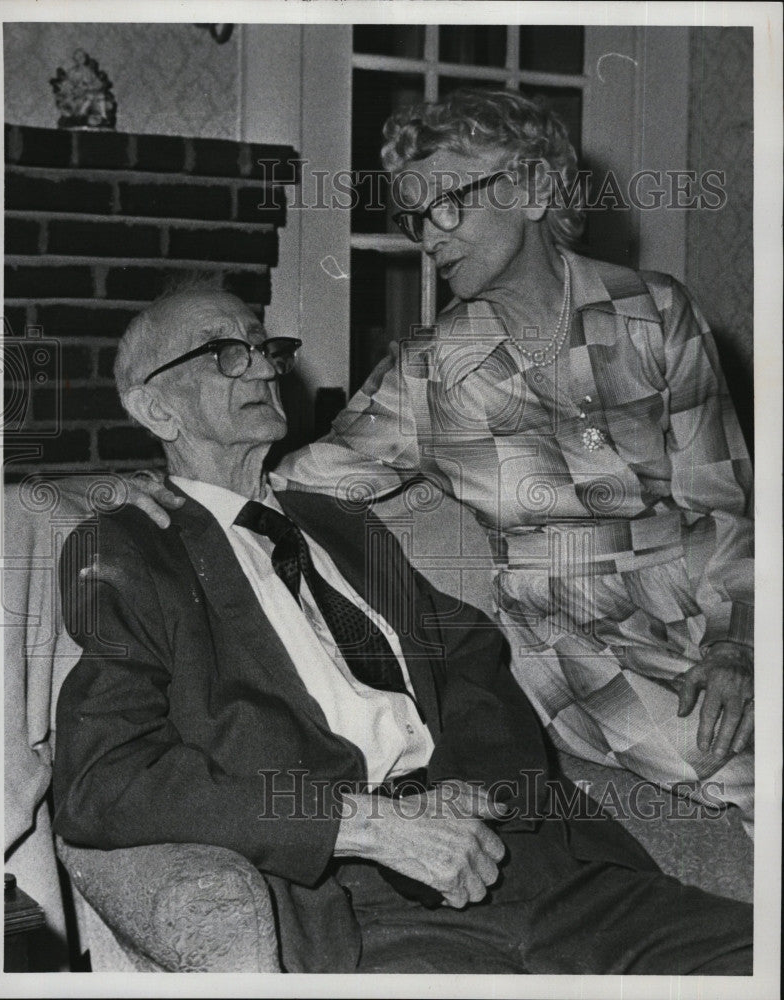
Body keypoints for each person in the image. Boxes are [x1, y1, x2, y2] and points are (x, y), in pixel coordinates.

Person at [52, 284, 753, 975]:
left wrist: (470, 798)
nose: (265, 367)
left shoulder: (341, 524)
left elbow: (474, 661)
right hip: (366, 910)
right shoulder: (131, 550)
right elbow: (103, 782)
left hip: (543, 873)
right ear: (154, 407)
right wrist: (362, 825)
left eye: (266, 349)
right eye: (225, 353)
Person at [273, 88, 756, 829]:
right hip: (566, 630)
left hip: (702, 592)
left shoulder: (656, 311)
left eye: (445, 205)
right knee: (742, 762)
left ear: (530, 189)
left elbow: (720, 501)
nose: (428, 239)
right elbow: (297, 476)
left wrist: (736, 647)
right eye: (413, 219)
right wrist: (154, 491)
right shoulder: (427, 371)